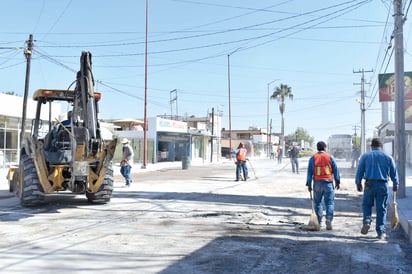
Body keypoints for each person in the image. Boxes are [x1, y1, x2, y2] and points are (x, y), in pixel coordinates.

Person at [355, 138, 398, 240]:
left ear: (371, 146)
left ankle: (366, 221)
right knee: (381, 209)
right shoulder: (388, 157)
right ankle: (380, 232)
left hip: (369, 184)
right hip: (383, 185)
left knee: (367, 204)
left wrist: (358, 183)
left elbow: (360, 170)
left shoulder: (365, 156)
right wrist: (396, 184)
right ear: (381, 146)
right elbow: (394, 172)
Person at [306, 141, 341, 230]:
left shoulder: (313, 158)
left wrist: (309, 184)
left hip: (317, 183)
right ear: (325, 147)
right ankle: (329, 219)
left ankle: (318, 221)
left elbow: (309, 172)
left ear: (317, 148)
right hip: (328, 183)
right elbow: (336, 169)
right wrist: (337, 181)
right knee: (329, 203)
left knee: (317, 203)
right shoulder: (330, 157)